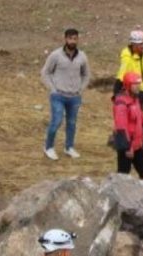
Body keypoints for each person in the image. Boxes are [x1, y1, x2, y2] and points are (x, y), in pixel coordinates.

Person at [40, 28, 90, 161]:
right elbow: (45, 72)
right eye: (70, 38)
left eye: (75, 39)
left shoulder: (82, 56)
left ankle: (69, 147)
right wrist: (52, 88)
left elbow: (86, 74)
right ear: (65, 39)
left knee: (72, 123)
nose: (72, 41)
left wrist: (81, 89)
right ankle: (48, 147)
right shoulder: (56, 55)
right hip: (58, 95)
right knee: (56, 121)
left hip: (74, 96)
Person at [112, 27, 143, 156]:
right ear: (135, 44)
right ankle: (142, 143)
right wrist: (117, 93)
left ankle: (137, 141)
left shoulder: (140, 55)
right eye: (142, 44)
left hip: (139, 91)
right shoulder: (128, 57)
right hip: (131, 93)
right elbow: (121, 75)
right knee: (137, 119)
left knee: (138, 118)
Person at [113, 71, 143, 179]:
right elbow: (121, 127)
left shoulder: (135, 99)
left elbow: (139, 115)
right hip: (127, 146)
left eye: (139, 84)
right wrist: (127, 148)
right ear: (128, 85)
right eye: (135, 84)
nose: (138, 87)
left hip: (137, 144)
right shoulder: (121, 103)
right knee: (123, 176)